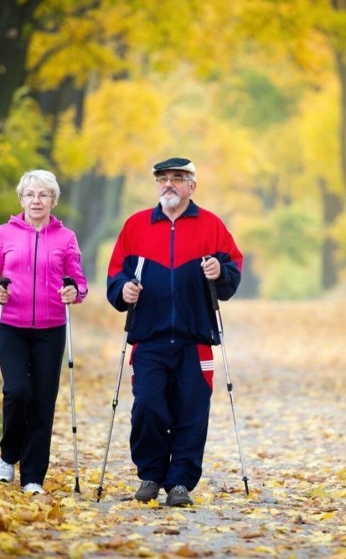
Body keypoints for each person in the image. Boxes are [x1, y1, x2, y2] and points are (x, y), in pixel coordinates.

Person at [106, 157, 243, 507]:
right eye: (163, 178)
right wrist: (123, 290)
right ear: (156, 185)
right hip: (148, 338)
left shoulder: (211, 225)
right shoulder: (136, 225)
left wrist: (220, 271)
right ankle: (151, 475)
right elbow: (116, 274)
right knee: (148, 407)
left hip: (194, 339)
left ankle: (180, 482)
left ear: (191, 186)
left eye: (178, 178)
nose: (169, 184)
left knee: (191, 412)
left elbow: (232, 271)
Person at [0, 169, 88, 495]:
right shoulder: (4, 233)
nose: (36, 200)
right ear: (22, 199)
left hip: (51, 330)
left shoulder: (66, 238)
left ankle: (33, 477)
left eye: (43, 195)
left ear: (53, 200)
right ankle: (8, 456)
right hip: (11, 325)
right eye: (30, 194)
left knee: (42, 401)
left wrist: (74, 292)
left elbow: (79, 282)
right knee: (17, 392)